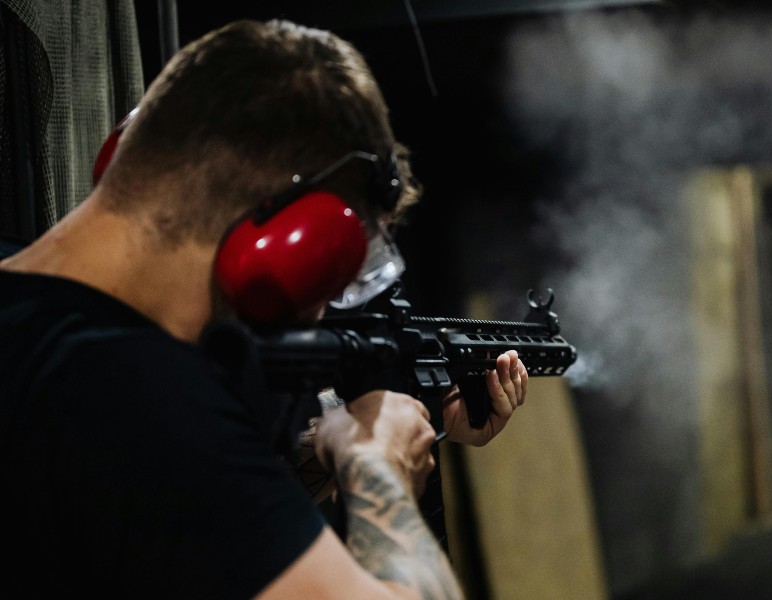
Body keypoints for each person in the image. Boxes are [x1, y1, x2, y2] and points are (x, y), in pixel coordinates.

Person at [0, 18, 527, 599]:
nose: (320, 309)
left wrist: (334, 451)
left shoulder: (57, 352)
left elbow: (194, 525)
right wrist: (379, 472)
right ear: (284, 239)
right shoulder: (152, 398)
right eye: (332, 268)